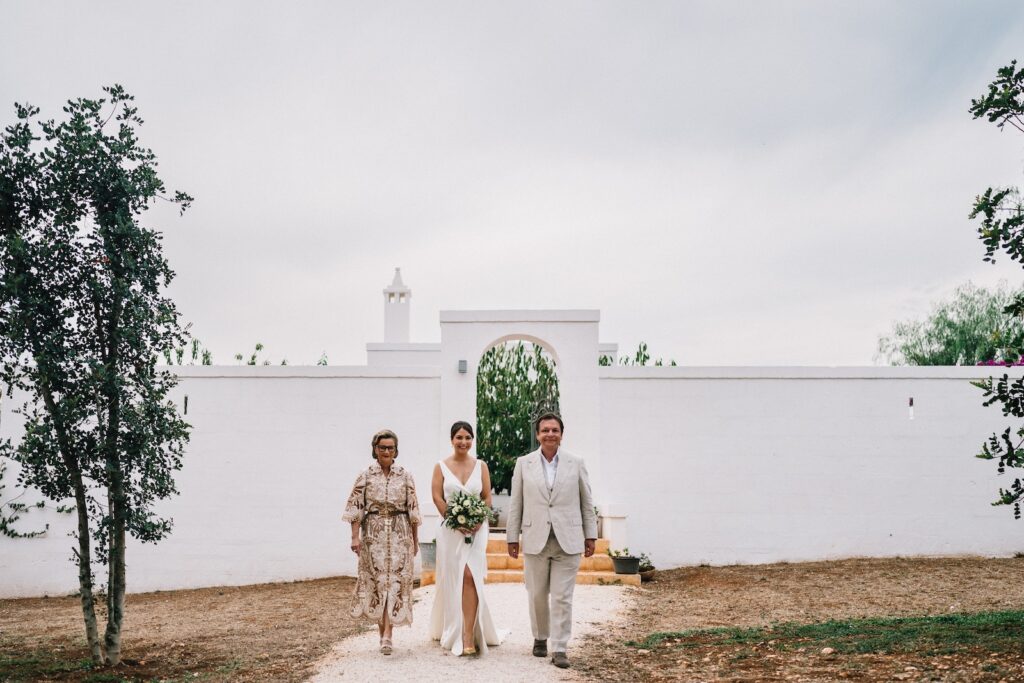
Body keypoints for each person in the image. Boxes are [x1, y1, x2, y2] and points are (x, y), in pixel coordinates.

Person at [506, 412, 597, 669]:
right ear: (537, 435)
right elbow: (516, 502)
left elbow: (586, 500)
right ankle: (540, 637)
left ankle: (560, 647)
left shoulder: (576, 462)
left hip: (567, 539)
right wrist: (512, 536)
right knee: (536, 594)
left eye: (554, 430)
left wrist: (590, 535)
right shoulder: (524, 463)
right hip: (535, 537)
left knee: (562, 596)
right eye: (545, 430)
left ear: (561, 434)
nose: (550, 434)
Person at [429, 421, 506, 655]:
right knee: (456, 578)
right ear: (452, 440)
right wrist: (455, 520)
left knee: (471, 575)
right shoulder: (440, 466)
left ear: (472, 440)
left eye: (468, 437)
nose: (463, 442)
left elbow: (486, 498)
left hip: (477, 529)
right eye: (459, 437)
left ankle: (468, 634)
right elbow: (437, 497)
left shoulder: (481, 465)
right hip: (451, 531)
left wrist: (475, 521)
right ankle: (454, 626)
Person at [343, 429, 421, 655]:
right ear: (375, 449)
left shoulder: (405, 475)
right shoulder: (365, 475)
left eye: (390, 448)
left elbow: (413, 510)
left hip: (400, 534)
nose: (386, 451)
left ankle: (388, 634)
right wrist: (354, 537)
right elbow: (355, 507)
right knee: (378, 583)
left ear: (396, 450)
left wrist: (415, 541)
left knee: (395, 582)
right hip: (373, 536)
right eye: (382, 447)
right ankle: (382, 633)